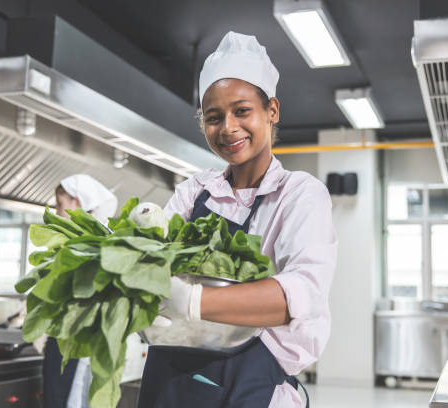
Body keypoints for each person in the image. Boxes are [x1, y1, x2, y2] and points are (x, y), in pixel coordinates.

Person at [137, 31, 337, 408]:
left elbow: (299, 294)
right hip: (169, 376)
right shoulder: (196, 191)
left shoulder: (299, 194)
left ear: (271, 111)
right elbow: (148, 257)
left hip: (250, 385)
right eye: (213, 117)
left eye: (241, 111)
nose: (228, 127)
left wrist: (193, 299)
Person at [42, 174, 117, 408]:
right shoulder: (85, 239)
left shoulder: (94, 242)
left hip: (75, 340)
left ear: (77, 201)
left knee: (64, 398)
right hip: (69, 339)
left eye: (59, 205)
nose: (56, 212)